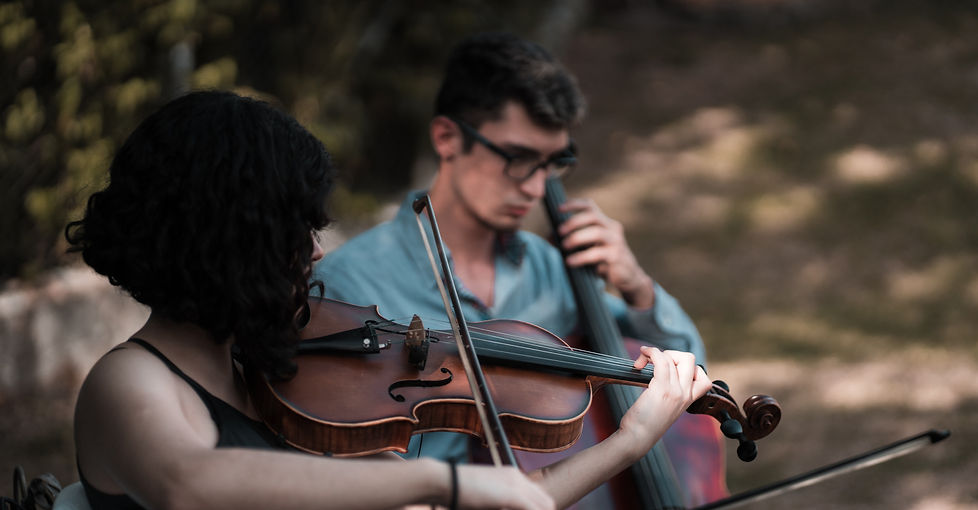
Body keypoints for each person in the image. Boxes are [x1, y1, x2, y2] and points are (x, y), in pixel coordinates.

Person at [65, 90, 710, 510]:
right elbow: (188, 485)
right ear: (229, 240)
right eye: (295, 233)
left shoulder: (287, 384)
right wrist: (443, 478)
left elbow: (507, 501)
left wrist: (627, 441)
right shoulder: (129, 382)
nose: (315, 253)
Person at [314, 32, 720, 506]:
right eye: (519, 159)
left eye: (553, 163)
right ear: (447, 137)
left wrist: (636, 287)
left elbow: (689, 372)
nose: (536, 187)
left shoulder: (550, 266)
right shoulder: (346, 285)